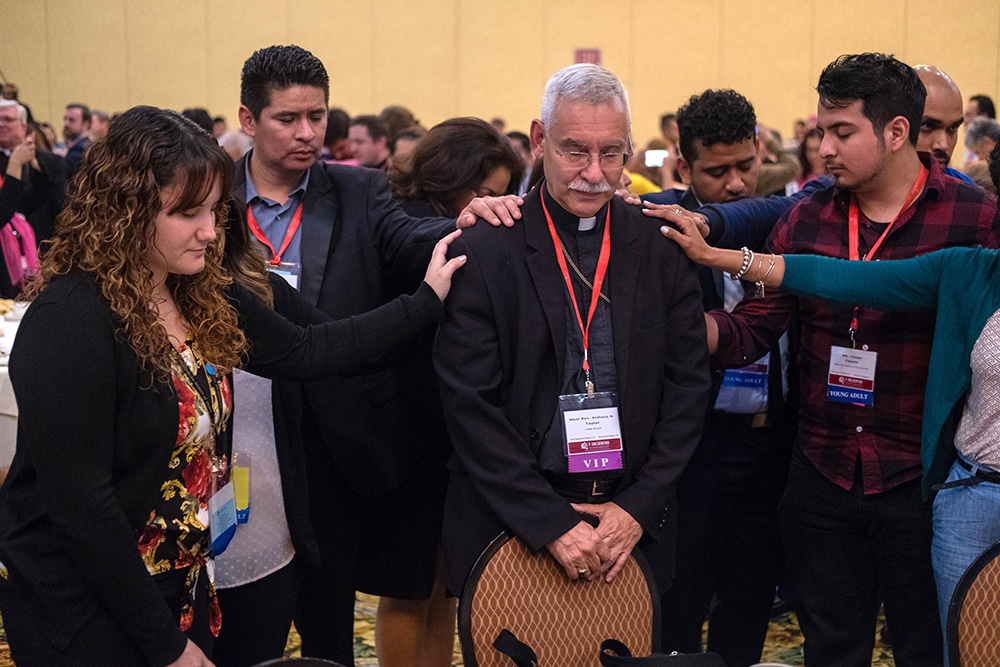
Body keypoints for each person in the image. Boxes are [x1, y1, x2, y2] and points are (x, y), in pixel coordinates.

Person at [0, 105, 466, 667]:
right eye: (187, 213)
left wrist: (425, 302)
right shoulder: (70, 319)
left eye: (215, 210)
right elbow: (83, 512)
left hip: (181, 585)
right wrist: (165, 643)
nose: (210, 230)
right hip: (84, 606)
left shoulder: (197, 291)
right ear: (125, 212)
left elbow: (310, 348)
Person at [645, 53, 1000, 667]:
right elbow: (754, 331)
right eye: (821, 132)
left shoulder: (971, 219)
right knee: (831, 648)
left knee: (926, 646)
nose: (825, 149)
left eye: (842, 133)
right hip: (822, 470)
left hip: (922, 476)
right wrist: (666, 328)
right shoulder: (806, 216)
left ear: (895, 132)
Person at [232, 44, 521, 666]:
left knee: (330, 616)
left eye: (318, 116)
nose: (308, 133)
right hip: (234, 432)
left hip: (332, 437)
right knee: (237, 614)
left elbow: (410, 234)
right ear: (249, 120)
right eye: (288, 119)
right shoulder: (214, 199)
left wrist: (462, 223)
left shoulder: (360, 192)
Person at [434, 63, 710, 601]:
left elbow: (688, 389)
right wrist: (549, 521)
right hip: (511, 521)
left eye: (612, 153)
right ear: (539, 141)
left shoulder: (660, 247)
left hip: (632, 522)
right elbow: (470, 404)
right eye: (575, 151)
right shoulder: (489, 247)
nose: (594, 172)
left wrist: (637, 508)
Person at [645, 88, 794, 667]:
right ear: (684, 166)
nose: (735, 183)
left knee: (751, 601)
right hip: (693, 448)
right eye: (716, 171)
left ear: (761, 152)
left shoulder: (783, 224)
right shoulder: (661, 233)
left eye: (745, 166)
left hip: (772, 443)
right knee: (680, 601)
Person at [374, 115, 523, 667]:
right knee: (411, 587)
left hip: (456, 431)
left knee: (447, 585)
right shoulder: (405, 224)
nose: (495, 206)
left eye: (503, 195)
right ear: (448, 174)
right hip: (408, 431)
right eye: (485, 193)